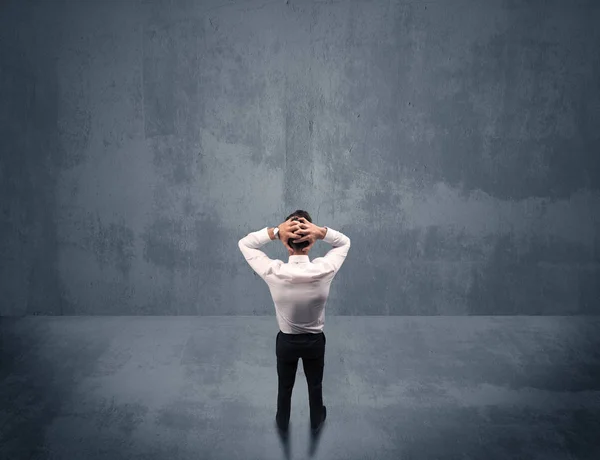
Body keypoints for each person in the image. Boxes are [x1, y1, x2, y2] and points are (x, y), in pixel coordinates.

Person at [238, 210, 351, 446]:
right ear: (310, 244)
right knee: (315, 384)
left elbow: (245, 244)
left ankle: (282, 421)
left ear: (286, 245)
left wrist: (276, 232)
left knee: (285, 385)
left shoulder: (274, 271)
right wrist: (321, 232)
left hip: (286, 343)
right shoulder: (324, 269)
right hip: (314, 342)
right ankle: (317, 418)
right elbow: (344, 242)